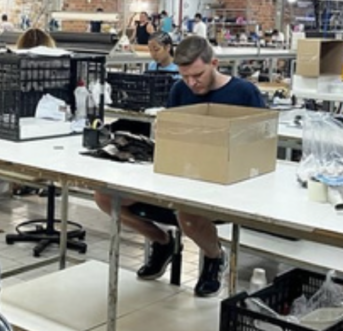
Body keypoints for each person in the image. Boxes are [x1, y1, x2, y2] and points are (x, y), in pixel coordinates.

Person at [94, 37, 265, 297]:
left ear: (214, 63)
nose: (191, 83)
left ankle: (214, 256)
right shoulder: (179, 90)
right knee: (105, 197)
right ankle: (163, 242)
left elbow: (260, 142)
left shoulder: (244, 93)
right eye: (185, 76)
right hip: (180, 175)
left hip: (223, 184)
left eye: (197, 75)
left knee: (187, 213)